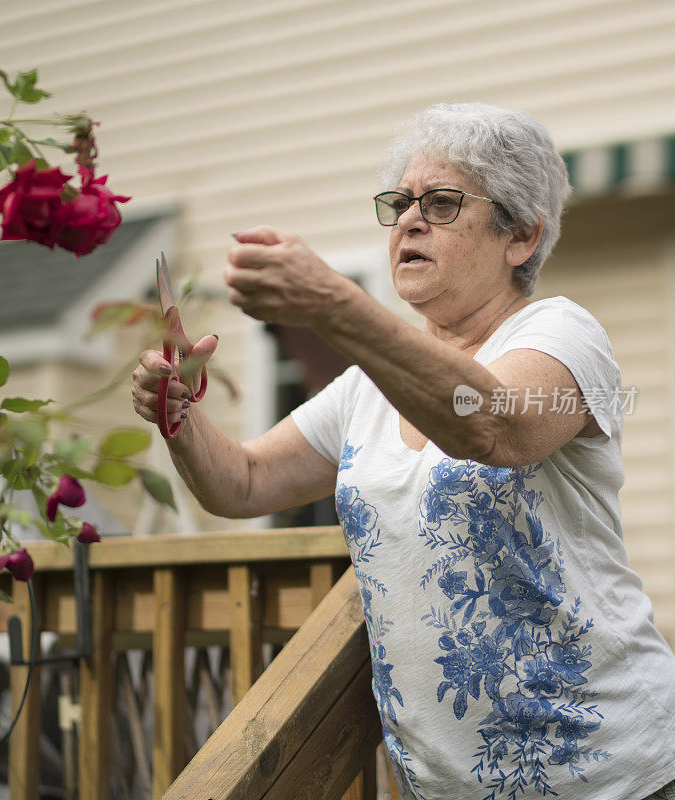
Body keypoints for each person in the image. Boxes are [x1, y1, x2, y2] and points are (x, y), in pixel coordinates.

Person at [131, 103, 675, 800]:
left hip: (611, 777)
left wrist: (334, 303)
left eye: (443, 203)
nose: (411, 220)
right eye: (402, 203)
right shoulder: (367, 387)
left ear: (522, 235)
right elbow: (242, 482)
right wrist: (182, 417)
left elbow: (491, 428)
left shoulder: (563, 335)